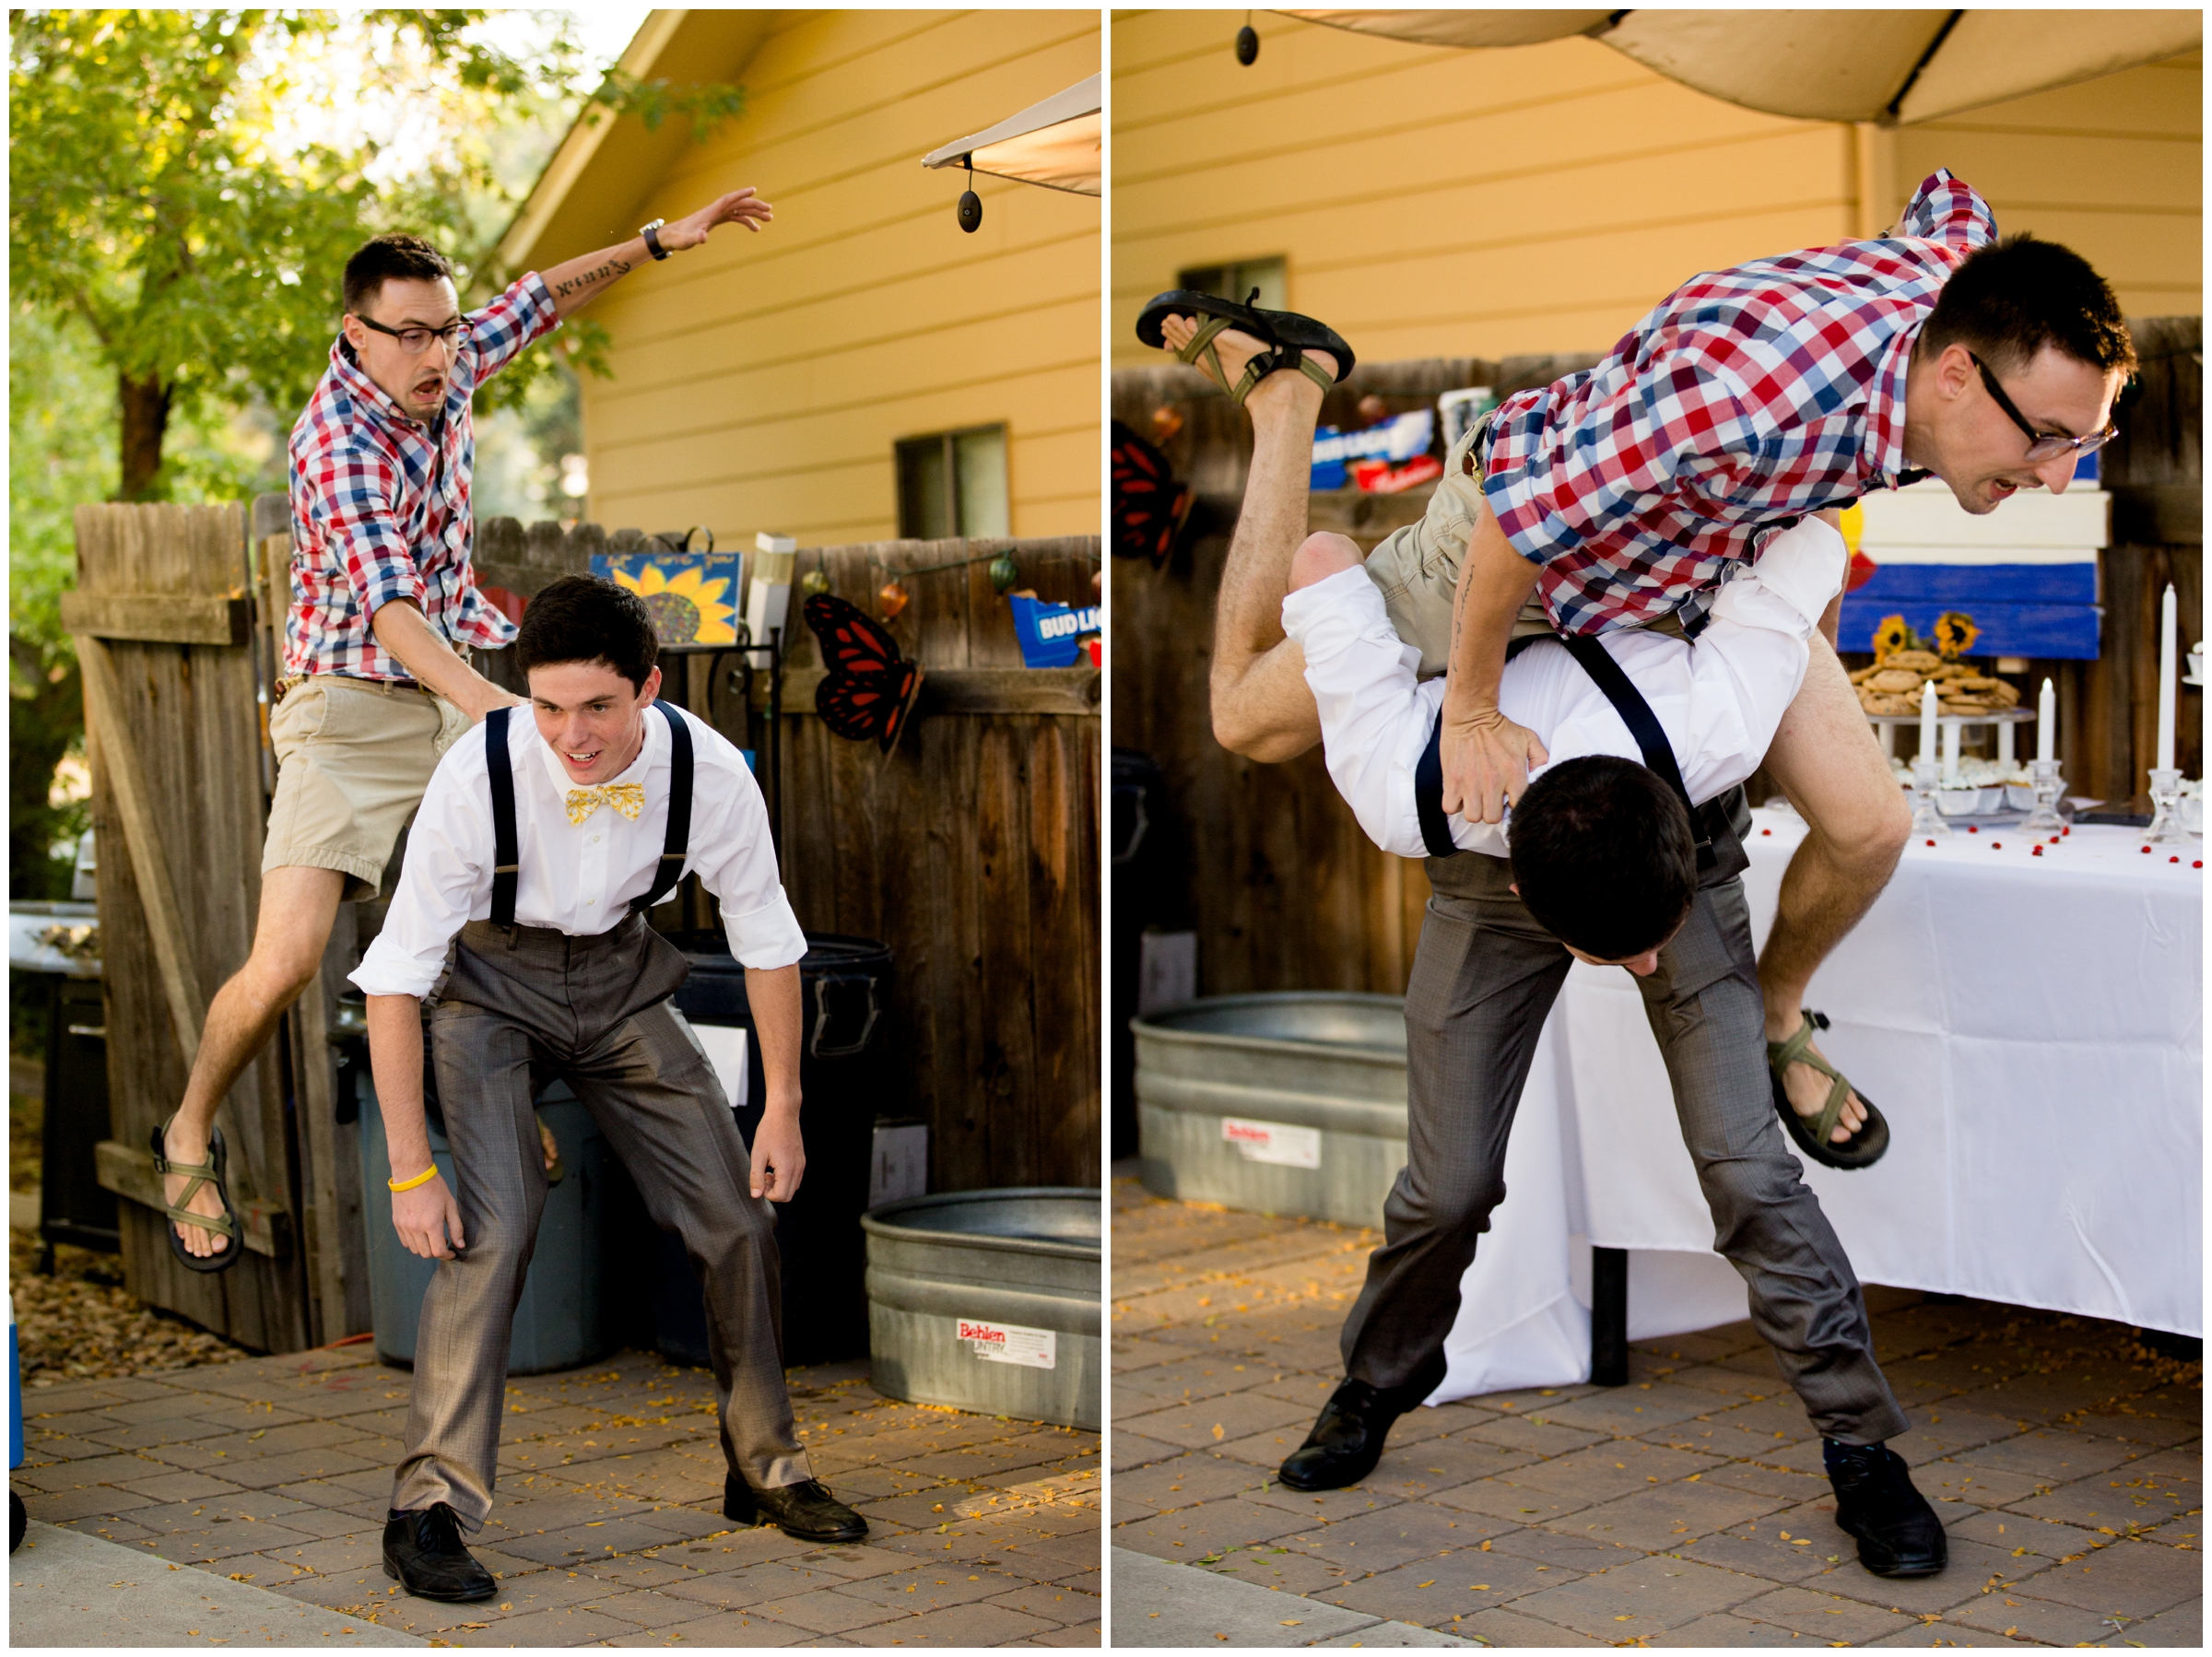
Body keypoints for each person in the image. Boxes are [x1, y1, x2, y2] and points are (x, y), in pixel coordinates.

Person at [1138, 168, 2133, 1162]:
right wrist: (1474, 710)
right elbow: (1516, 522)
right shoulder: (1740, 399)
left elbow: (1947, 200)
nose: (2058, 477)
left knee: (1871, 826)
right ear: (1954, 373)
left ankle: (1778, 1012)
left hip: (1681, 576)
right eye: (2048, 440)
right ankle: (1284, 395)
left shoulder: (1964, 287)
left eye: (2084, 441)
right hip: (1516, 564)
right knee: (1244, 719)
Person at [1270, 513, 1947, 1578]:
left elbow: (1811, 538)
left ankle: (1860, 1445)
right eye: (1617, 957)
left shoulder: (1711, 721)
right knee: (1446, 1186)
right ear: (1540, 901)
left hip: (1673, 849)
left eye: (1649, 951)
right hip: (1482, 871)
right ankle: (1375, 1381)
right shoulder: (1405, 788)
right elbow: (1320, 558)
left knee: (1750, 1169)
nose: (1642, 972)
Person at [150, 191, 775, 1270]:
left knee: (516, 909)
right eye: (415, 333)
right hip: (348, 701)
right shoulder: (334, 440)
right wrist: (497, 710)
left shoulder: (445, 358)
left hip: (450, 682)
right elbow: (391, 610)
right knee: (291, 954)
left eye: (446, 329)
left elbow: (540, 301)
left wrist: (663, 237)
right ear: (357, 334)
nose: (440, 351)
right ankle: (189, 1125)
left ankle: (487, 1100)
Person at [351, 574, 865, 1602]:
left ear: (649, 687)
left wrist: (784, 1107)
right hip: (488, 989)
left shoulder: (710, 774)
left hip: (626, 980)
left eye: (598, 706)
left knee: (738, 1214)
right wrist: (411, 1170)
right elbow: (398, 979)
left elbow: (767, 943)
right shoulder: (475, 776)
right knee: (496, 1228)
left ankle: (767, 1467)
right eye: (547, 706)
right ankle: (428, 1507)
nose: (572, 736)